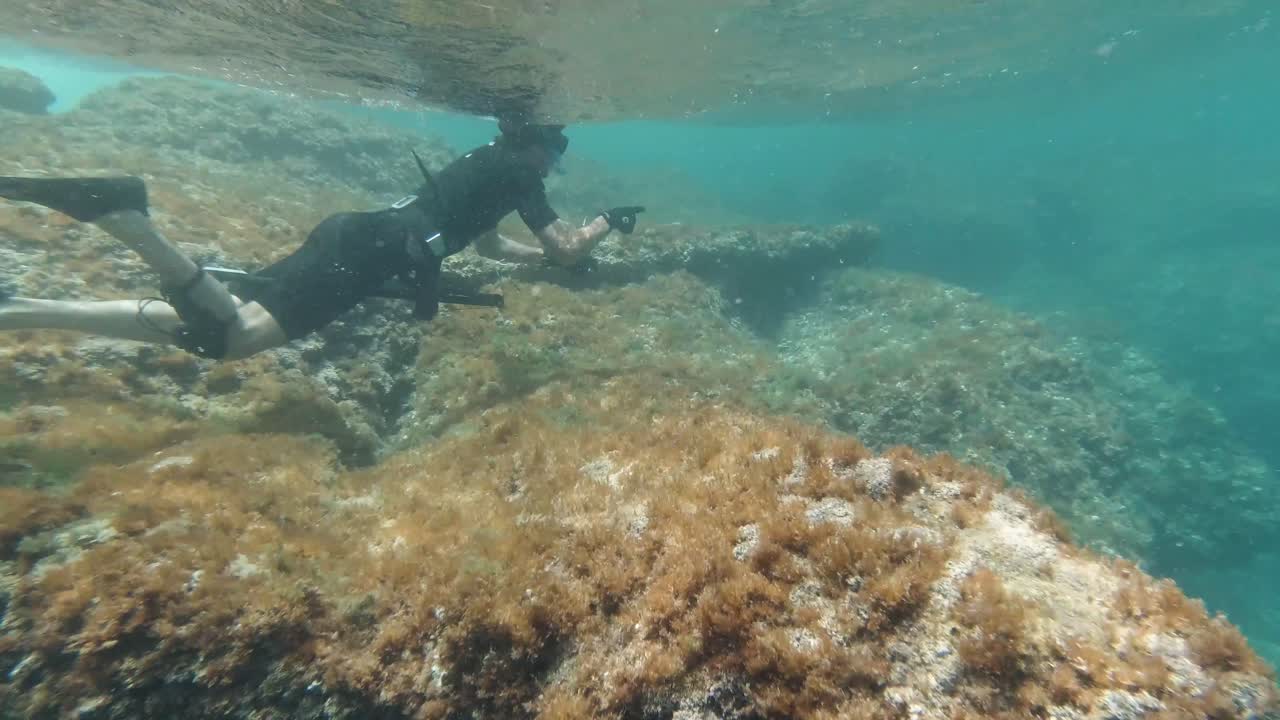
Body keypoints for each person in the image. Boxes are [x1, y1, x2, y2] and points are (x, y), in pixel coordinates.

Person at [0, 118, 645, 360]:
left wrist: (538, 265)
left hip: (354, 233)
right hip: (370, 256)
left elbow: (490, 248)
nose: (550, 166)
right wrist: (605, 223)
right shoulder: (520, 173)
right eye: (553, 153)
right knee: (233, 338)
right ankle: (124, 217)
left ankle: (22, 313)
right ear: (534, 144)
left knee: (217, 322)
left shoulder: (487, 161)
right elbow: (566, 246)